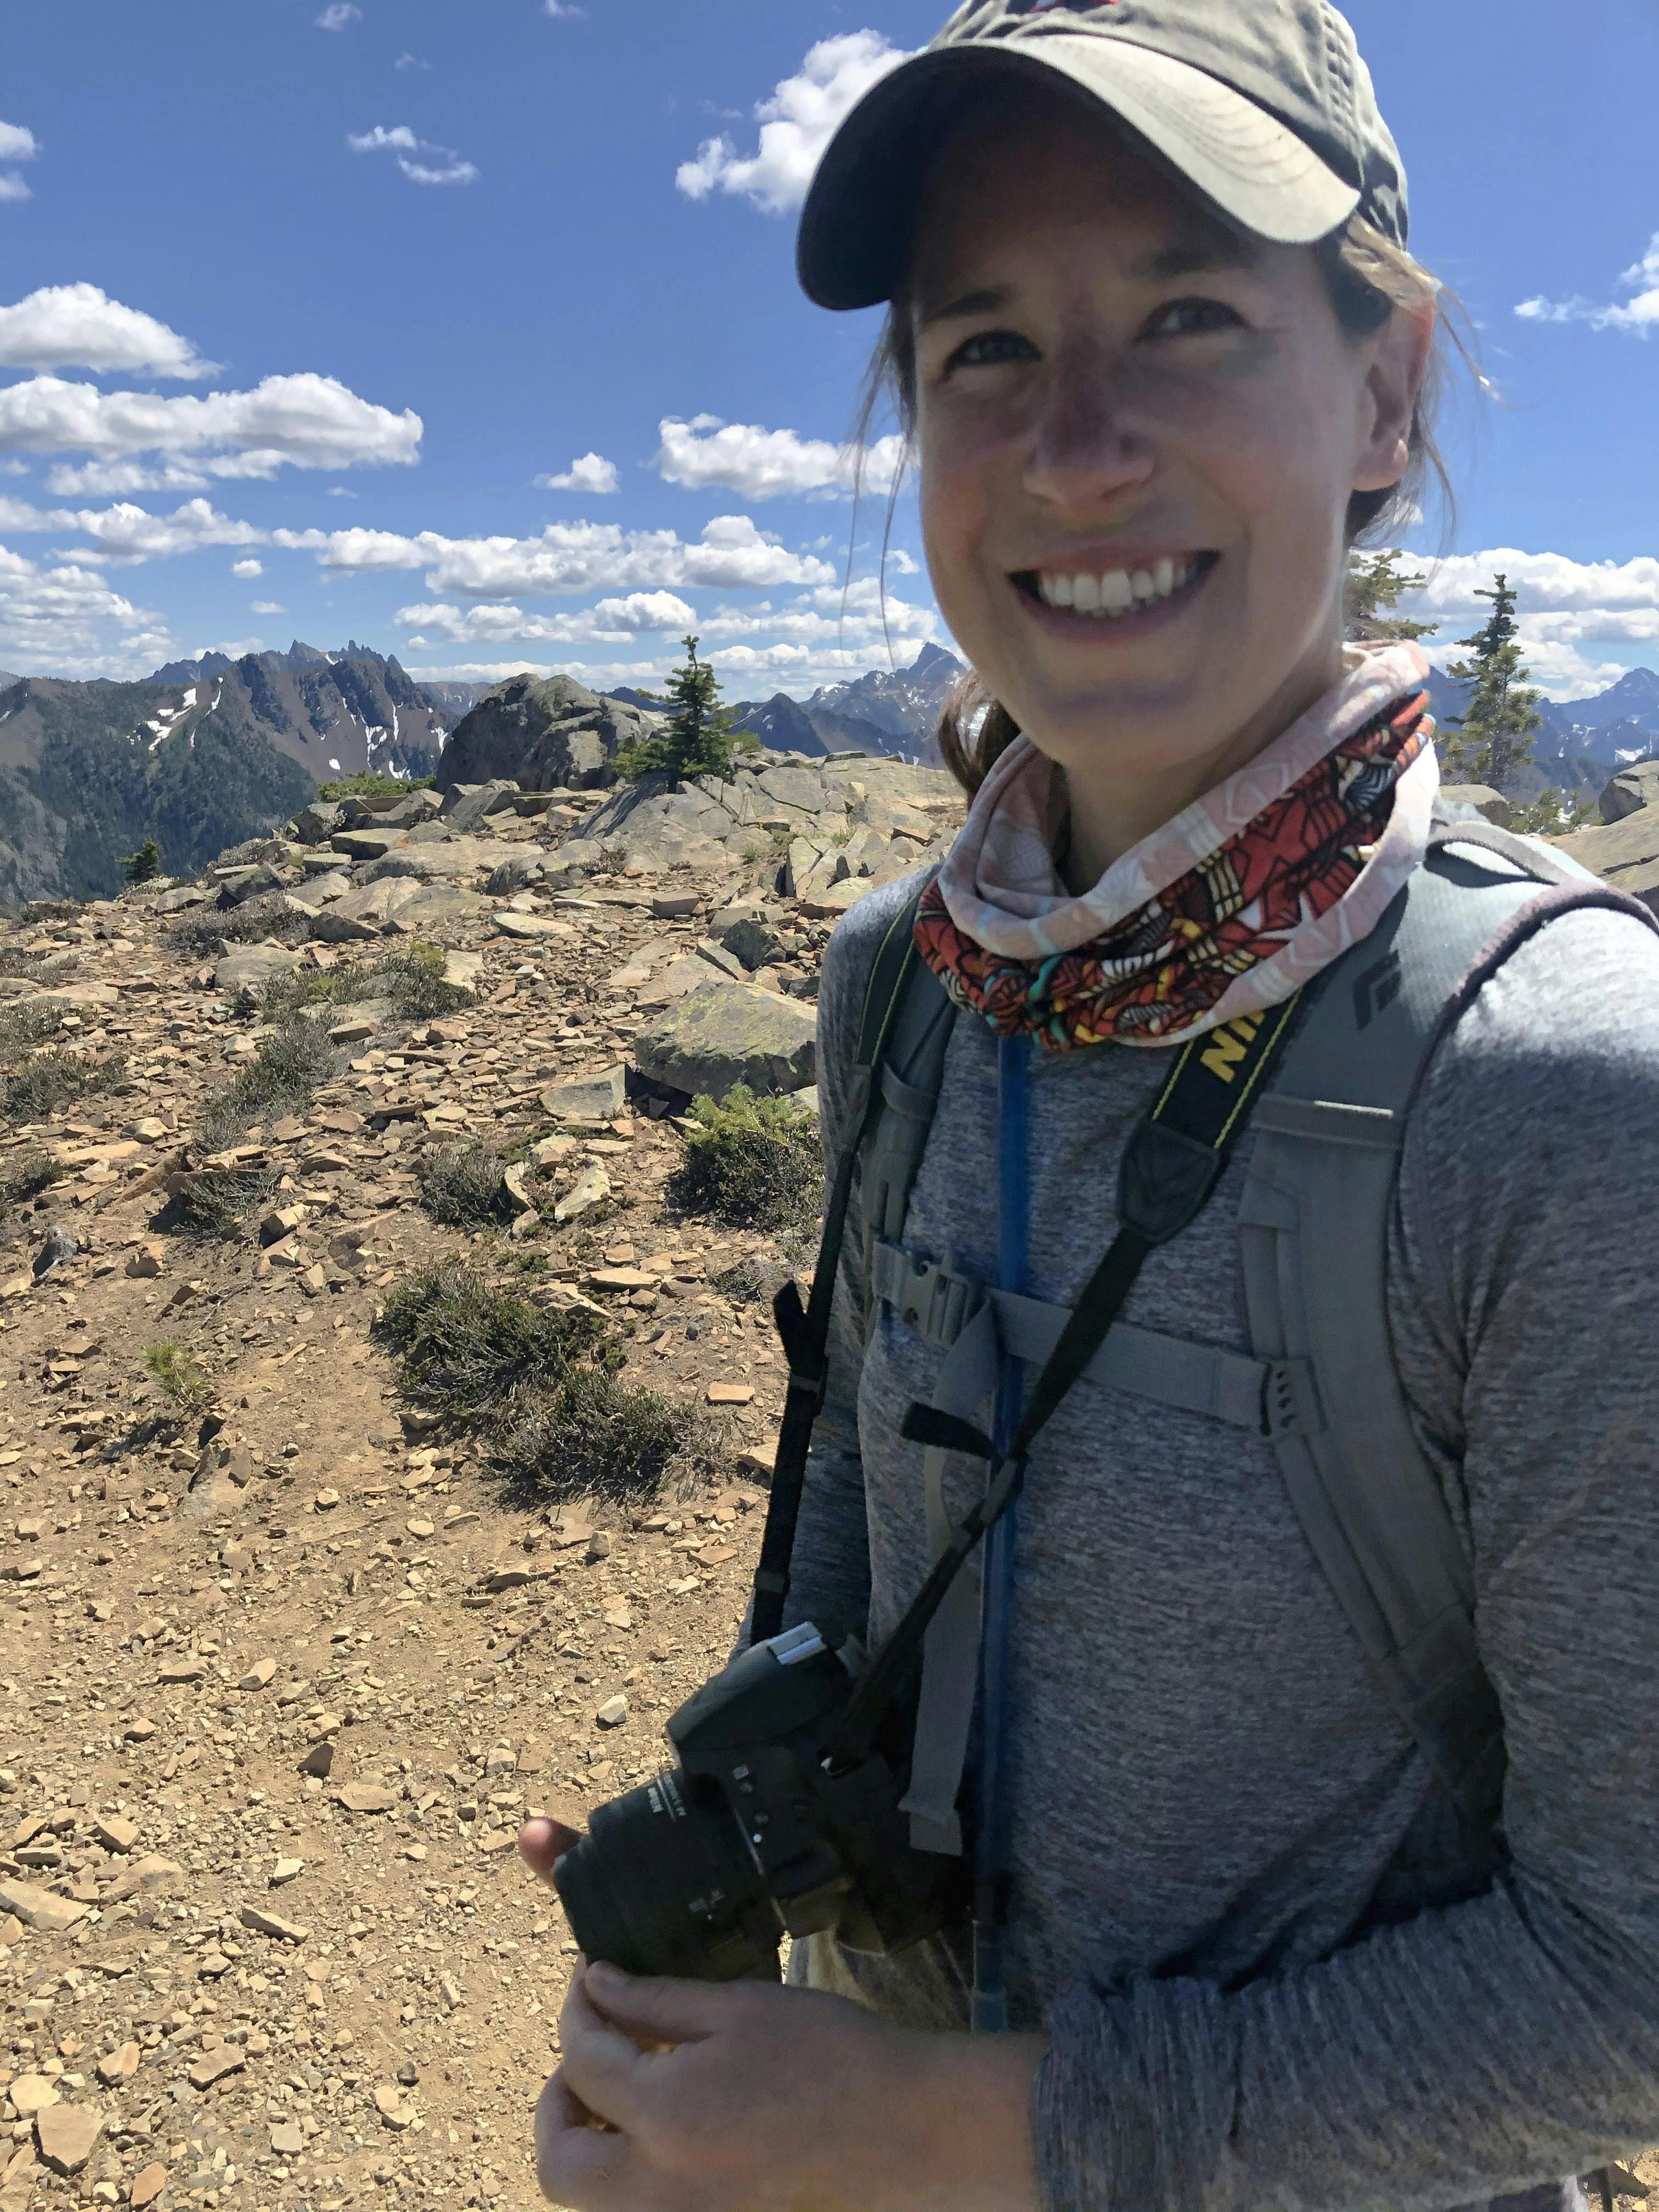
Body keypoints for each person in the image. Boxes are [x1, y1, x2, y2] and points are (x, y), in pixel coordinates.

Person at [518, 4, 1659, 2207]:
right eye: (987, 355)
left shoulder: (1567, 1106)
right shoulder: (905, 990)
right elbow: (849, 1586)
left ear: (1388, 394)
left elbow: (1631, 1982)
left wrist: (964, 2132)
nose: (1079, 447)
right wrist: (729, 1997)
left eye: (1192, 317)